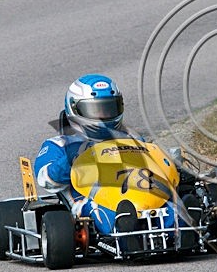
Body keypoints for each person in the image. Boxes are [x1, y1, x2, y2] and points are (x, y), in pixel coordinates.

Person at [34, 73, 147, 238]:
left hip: (138, 193)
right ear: (75, 108)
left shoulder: (131, 138)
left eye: (109, 108)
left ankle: (186, 226)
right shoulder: (60, 145)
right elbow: (46, 180)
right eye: (96, 110)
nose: (104, 116)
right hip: (90, 199)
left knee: (168, 203)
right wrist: (71, 160)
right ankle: (125, 233)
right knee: (101, 209)